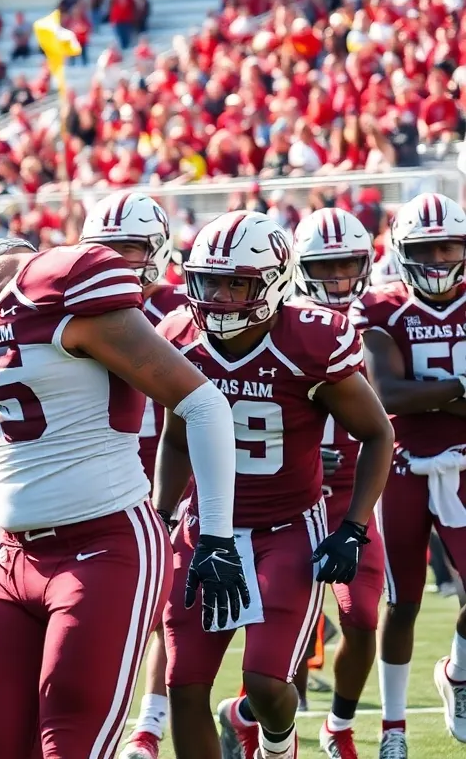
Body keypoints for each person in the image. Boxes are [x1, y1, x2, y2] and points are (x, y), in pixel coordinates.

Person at [0, 233, 241, 758]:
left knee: (71, 740)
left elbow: (205, 405)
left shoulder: (67, 303)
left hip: (102, 548)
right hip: (13, 557)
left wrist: (216, 535)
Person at [155, 212, 392, 759]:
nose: (217, 295)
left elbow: (377, 433)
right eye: (208, 280)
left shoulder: (310, 339)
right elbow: (173, 438)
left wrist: (353, 527)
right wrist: (161, 516)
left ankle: (277, 747)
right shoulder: (179, 338)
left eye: (235, 281)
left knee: (265, 683)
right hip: (203, 526)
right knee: (185, 684)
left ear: (272, 281)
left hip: (286, 528)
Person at [350, 193, 466, 754]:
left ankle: (458, 674)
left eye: (450, 247)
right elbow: (387, 392)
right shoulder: (381, 307)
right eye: (428, 249)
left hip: (465, 464)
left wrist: (427, 398)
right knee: (404, 602)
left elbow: (406, 392)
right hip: (401, 469)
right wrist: (460, 391)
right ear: (402, 253)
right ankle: (392, 728)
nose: (441, 260)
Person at [77, 192, 187, 759]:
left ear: (158, 250)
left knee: (167, 612)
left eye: (131, 249)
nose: (119, 261)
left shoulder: (185, 311)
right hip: (94, 487)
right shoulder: (68, 310)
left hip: (163, 478)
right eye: (107, 249)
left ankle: (149, 722)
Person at [290, 208, 388, 756]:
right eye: (324, 267)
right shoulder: (280, 322)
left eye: (348, 265)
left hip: (354, 495)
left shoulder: (379, 318)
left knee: (362, 615)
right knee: (292, 630)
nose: (338, 280)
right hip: (291, 495)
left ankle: (340, 725)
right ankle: (275, 730)